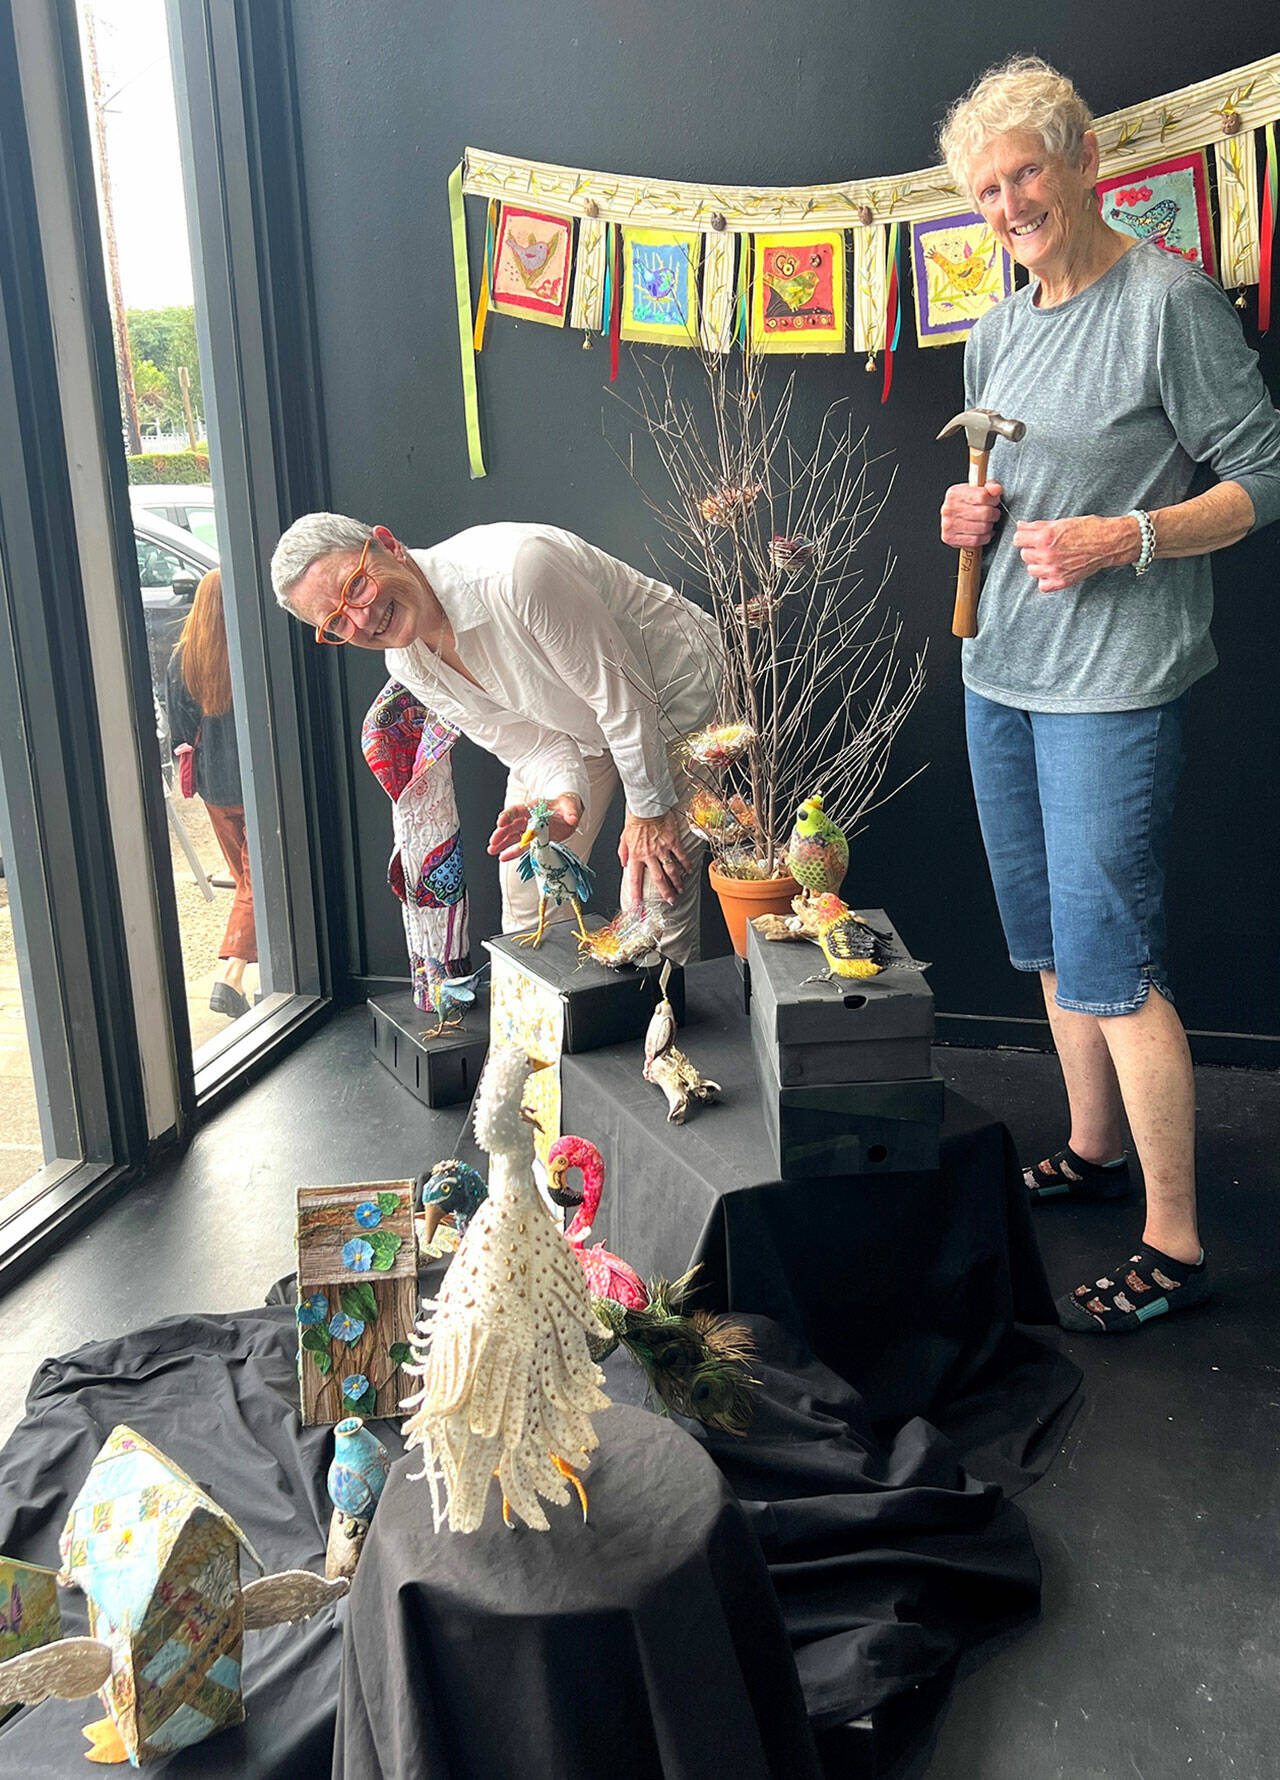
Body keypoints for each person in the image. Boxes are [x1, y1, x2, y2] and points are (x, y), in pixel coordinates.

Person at [936, 56, 1280, 1334]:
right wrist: (964, 517)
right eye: (985, 188)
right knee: (1041, 940)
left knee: (1113, 961)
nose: (1008, 202)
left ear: (1083, 164)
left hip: (1112, 689)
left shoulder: (1165, 302)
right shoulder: (997, 321)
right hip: (998, 672)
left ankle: (1175, 1242)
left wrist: (1118, 539)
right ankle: (1088, 1150)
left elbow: (1264, 475)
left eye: (1025, 170)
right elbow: (991, 489)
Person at [270, 518, 721, 963]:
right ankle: (558, 1027)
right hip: (584, 718)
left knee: (651, 899)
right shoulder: (407, 665)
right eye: (336, 622)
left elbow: (623, 697)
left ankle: (666, 1029)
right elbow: (529, 744)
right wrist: (566, 798)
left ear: (388, 544)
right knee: (529, 883)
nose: (362, 619)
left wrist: (648, 810)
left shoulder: (517, 572)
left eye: (355, 587)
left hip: (673, 690)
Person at [166, 569, 257, 1019]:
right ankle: (231, 976)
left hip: (213, 789)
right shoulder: (245, 653)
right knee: (258, 882)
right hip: (255, 783)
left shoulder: (183, 658)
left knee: (247, 881)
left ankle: (253, 976)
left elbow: (180, 734)